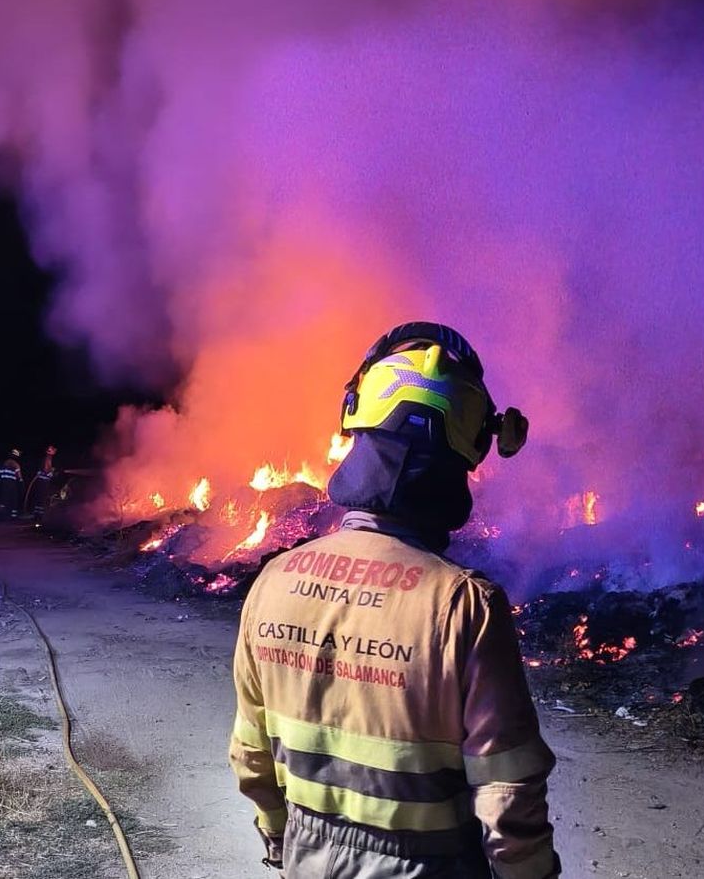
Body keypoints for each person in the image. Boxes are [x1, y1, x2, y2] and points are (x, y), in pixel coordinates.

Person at [229, 322, 555, 879]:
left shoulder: (273, 582)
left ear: (355, 423)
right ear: (470, 452)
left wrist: (284, 843)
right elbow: (508, 795)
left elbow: (251, 759)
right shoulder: (464, 607)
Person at [28, 445, 58, 518]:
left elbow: (44, 469)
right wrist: (52, 472)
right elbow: (46, 469)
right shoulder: (48, 458)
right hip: (44, 481)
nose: (55, 451)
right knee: (42, 498)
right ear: (49, 451)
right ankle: (39, 515)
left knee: (39, 497)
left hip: (42, 481)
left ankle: (37, 514)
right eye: (53, 449)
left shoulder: (47, 458)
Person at [0, 448, 23, 519]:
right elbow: (19, 476)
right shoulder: (16, 465)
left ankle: (2, 514)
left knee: (3, 499)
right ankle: (13, 516)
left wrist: (1, 481)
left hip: (4, 484)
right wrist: (21, 483)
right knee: (13, 499)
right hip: (12, 484)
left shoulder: (3, 463)